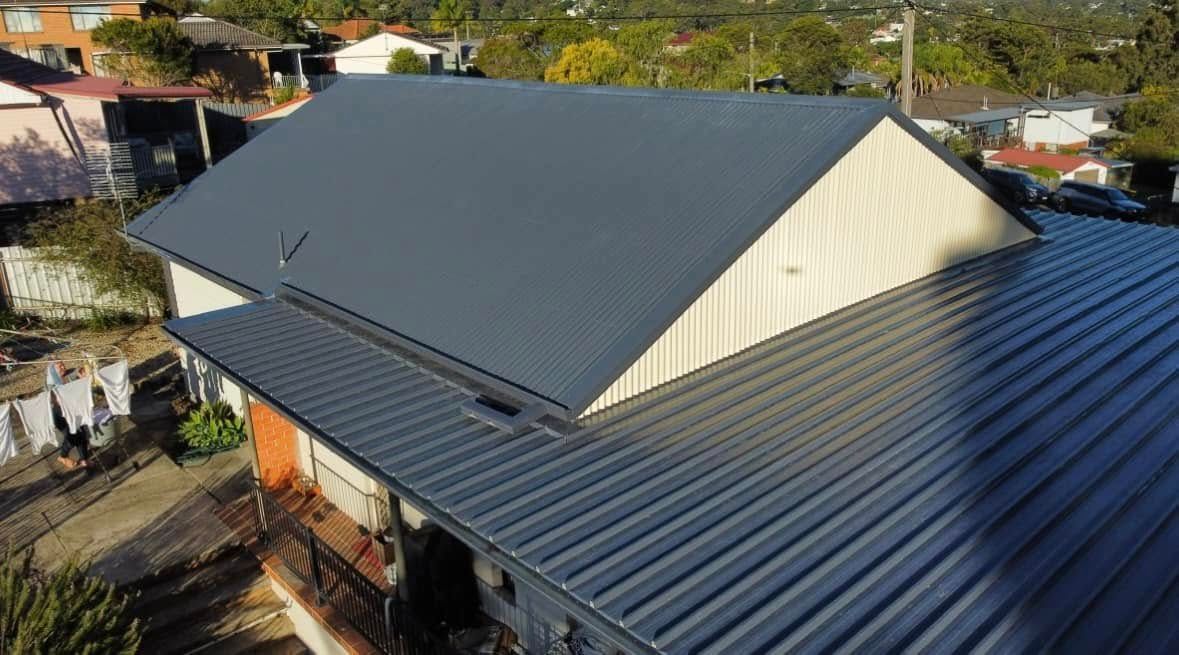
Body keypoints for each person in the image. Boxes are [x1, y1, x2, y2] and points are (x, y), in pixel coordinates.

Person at [53, 401, 91, 471]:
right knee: (71, 437)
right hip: (60, 412)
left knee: (81, 432)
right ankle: (62, 456)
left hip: (71, 404)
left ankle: (84, 459)